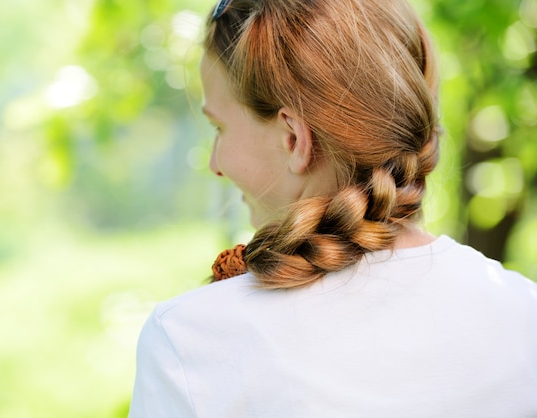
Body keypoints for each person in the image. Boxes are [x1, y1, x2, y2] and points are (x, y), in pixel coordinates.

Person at [128, 0, 537, 416]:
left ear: (293, 139)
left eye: (220, 127)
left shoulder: (192, 343)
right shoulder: (524, 314)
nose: (215, 164)